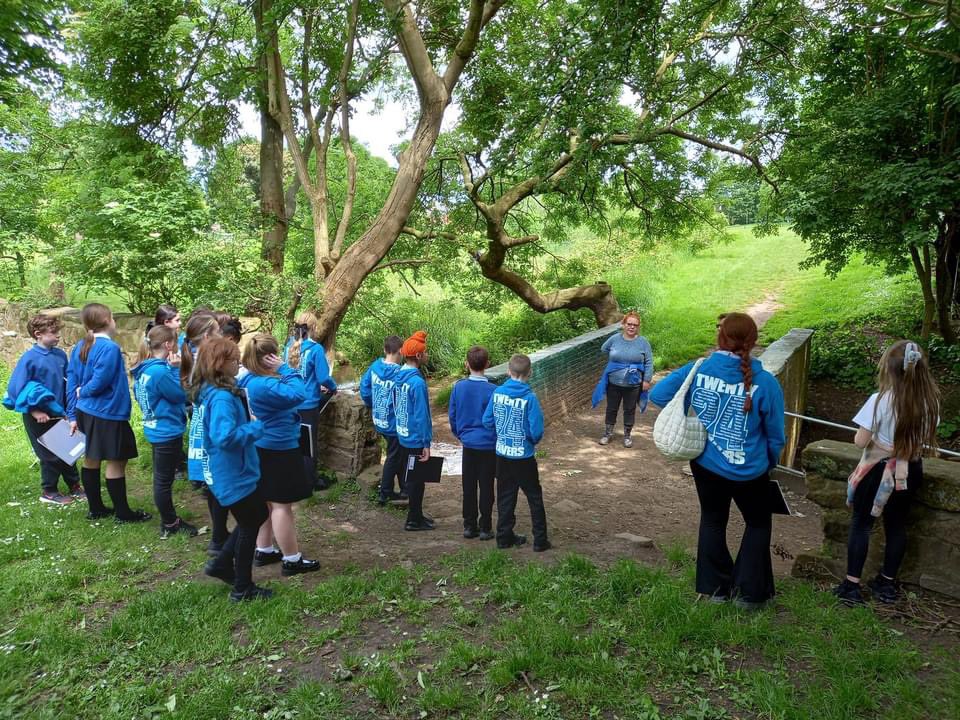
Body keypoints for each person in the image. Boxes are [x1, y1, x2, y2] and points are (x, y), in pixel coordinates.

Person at [649, 312, 785, 609]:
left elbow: (658, 395)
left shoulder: (698, 370)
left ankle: (715, 591)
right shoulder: (766, 383)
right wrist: (769, 462)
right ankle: (749, 595)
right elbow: (775, 436)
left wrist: (698, 409)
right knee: (758, 524)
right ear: (753, 342)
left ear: (720, 337)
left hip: (707, 465)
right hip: (750, 470)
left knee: (712, 521)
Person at [833, 341, 939, 605]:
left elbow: (860, 441)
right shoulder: (931, 402)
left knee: (862, 524)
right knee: (897, 525)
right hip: (909, 469)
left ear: (890, 370)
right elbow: (923, 438)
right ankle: (886, 584)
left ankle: (852, 586)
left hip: (878, 471)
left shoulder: (880, 400)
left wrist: (879, 441)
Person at [191, 337, 272, 602]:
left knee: (255, 515)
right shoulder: (223, 398)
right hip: (231, 471)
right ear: (219, 363)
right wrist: (254, 427)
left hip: (228, 470)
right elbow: (224, 437)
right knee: (252, 522)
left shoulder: (211, 390)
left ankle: (222, 564)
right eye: (234, 359)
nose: (239, 362)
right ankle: (242, 587)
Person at [237, 334, 320, 576]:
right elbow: (299, 394)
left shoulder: (247, 379)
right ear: (269, 358)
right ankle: (292, 559)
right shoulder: (266, 385)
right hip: (279, 448)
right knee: (282, 505)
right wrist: (285, 368)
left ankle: (263, 549)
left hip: (260, 446)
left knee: (265, 501)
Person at [66, 303, 150, 523]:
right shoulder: (109, 348)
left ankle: (96, 509)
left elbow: (71, 380)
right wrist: (84, 392)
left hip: (86, 412)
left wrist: (73, 414)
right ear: (107, 321)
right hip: (107, 413)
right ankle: (123, 513)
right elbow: (99, 381)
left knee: (91, 458)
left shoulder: (80, 345)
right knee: (116, 460)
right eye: (113, 318)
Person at [3, 313, 82, 505]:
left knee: (67, 449)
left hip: (58, 412)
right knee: (48, 453)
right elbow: (17, 389)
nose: (58, 336)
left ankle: (74, 485)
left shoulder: (60, 355)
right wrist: (35, 411)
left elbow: (66, 383)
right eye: (53, 333)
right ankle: (49, 491)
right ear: (38, 334)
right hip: (38, 416)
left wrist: (68, 409)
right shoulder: (29, 359)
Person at [131, 325, 198, 538]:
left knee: (162, 478)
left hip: (155, 427)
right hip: (166, 431)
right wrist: (177, 368)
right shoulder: (160, 371)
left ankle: (169, 520)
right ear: (169, 344)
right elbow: (181, 395)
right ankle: (170, 523)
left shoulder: (145, 369)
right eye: (175, 342)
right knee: (163, 480)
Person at [482, 353, 549, 551]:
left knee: (505, 496)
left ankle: (503, 537)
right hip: (524, 456)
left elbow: (487, 421)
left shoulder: (497, 393)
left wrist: (501, 434)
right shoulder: (530, 398)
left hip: (502, 454)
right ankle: (540, 540)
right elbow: (536, 431)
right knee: (534, 497)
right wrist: (529, 439)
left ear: (508, 371)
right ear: (530, 373)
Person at [180, 313, 228, 553]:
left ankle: (220, 534)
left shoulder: (193, 357)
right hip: (213, 421)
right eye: (218, 331)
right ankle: (219, 537)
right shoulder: (208, 361)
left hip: (201, 421)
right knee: (218, 479)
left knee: (211, 480)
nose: (222, 335)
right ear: (208, 335)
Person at [449, 345, 497, 540]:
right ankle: (485, 527)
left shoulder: (459, 387)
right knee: (487, 485)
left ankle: (469, 526)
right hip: (489, 445)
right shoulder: (495, 390)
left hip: (468, 444)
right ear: (488, 364)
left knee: (468, 486)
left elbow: (452, 415)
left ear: (466, 364)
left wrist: (460, 434)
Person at [287, 310, 338, 490]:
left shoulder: (289, 346)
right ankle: (310, 482)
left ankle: (293, 477)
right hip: (308, 405)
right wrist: (333, 387)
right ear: (313, 327)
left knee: (293, 441)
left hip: (290, 403)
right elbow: (324, 377)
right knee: (308, 445)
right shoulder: (315, 349)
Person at [592, 311, 653, 448]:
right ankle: (607, 434)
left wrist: (646, 380)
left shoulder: (643, 343)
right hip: (614, 383)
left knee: (629, 409)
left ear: (638, 327)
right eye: (629, 324)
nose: (632, 327)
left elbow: (649, 362)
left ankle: (627, 436)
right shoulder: (614, 339)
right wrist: (617, 362)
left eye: (635, 325)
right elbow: (604, 349)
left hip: (634, 384)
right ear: (623, 325)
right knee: (611, 408)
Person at [394, 331, 434, 531]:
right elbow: (421, 416)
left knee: (411, 478)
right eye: (425, 353)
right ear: (418, 356)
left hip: (402, 435)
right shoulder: (417, 383)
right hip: (415, 439)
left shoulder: (399, 376)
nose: (427, 355)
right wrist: (426, 443)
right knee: (418, 481)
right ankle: (413, 520)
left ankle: (416, 514)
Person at [359, 335, 406, 505]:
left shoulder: (375, 367)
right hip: (394, 423)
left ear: (385, 350)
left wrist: (373, 404)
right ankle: (385, 492)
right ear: (401, 351)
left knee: (398, 453)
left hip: (379, 419)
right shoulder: (400, 374)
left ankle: (404, 488)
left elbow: (364, 388)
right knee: (394, 456)